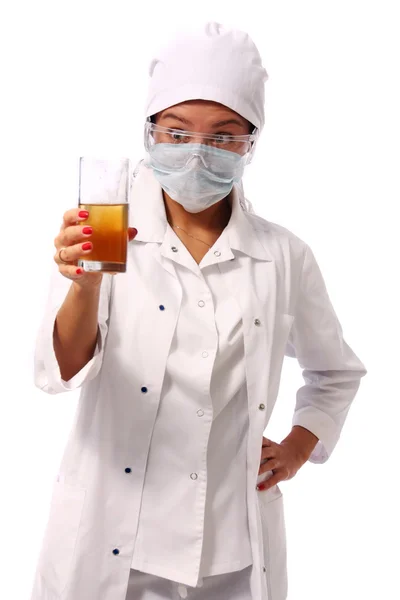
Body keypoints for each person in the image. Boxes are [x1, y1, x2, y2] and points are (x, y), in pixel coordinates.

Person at [30, 21, 367, 600]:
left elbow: (334, 372)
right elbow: (60, 373)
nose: (197, 154)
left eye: (223, 136)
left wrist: (296, 448)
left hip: (232, 555)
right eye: (177, 133)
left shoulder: (283, 255)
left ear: (250, 145)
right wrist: (83, 285)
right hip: (113, 545)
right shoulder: (105, 233)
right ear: (149, 133)